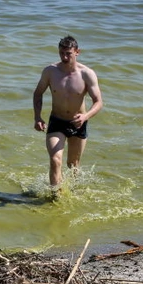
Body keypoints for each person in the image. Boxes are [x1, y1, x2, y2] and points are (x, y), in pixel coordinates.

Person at [32, 35, 103, 189]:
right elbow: (38, 93)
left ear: (77, 52)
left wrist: (85, 116)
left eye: (68, 54)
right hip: (57, 121)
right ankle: (55, 197)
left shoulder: (87, 74)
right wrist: (37, 117)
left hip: (78, 122)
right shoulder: (50, 71)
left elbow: (98, 102)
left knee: (73, 164)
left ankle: (74, 192)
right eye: (61, 53)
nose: (64, 57)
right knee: (55, 160)